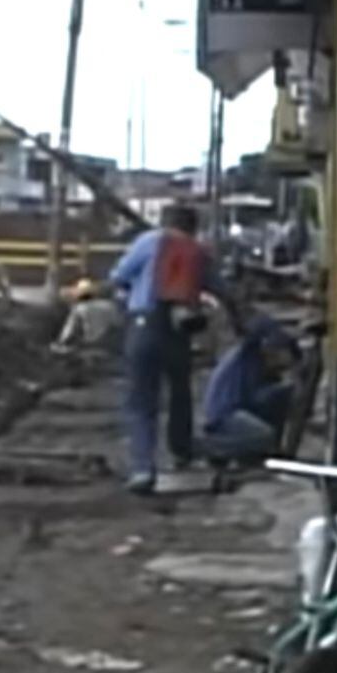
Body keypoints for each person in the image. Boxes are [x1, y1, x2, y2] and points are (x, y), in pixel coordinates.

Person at [109, 206, 241, 495]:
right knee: (180, 393)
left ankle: (144, 469)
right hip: (180, 329)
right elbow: (223, 290)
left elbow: (117, 276)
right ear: (192, 227)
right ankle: (182, 453)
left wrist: (130, 293)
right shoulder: (198, 251)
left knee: (142, 400)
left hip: (145, 323)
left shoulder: (147, 241)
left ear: (164, 221)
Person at [200, 316, 297, 463]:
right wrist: (285, 387)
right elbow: (254, 399)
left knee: (276, 407)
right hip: (226, 415)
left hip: (235, 410)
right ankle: (217, 448)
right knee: (266, 435)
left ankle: (251, 454)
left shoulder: (249, 355)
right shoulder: (248, 359)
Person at [53, 278, 121, 350]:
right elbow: (118, 323)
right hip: (110, 343)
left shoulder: (79, 308)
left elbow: (69, 331)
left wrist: (60, 342)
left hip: (89, 343)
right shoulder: (111, 306)